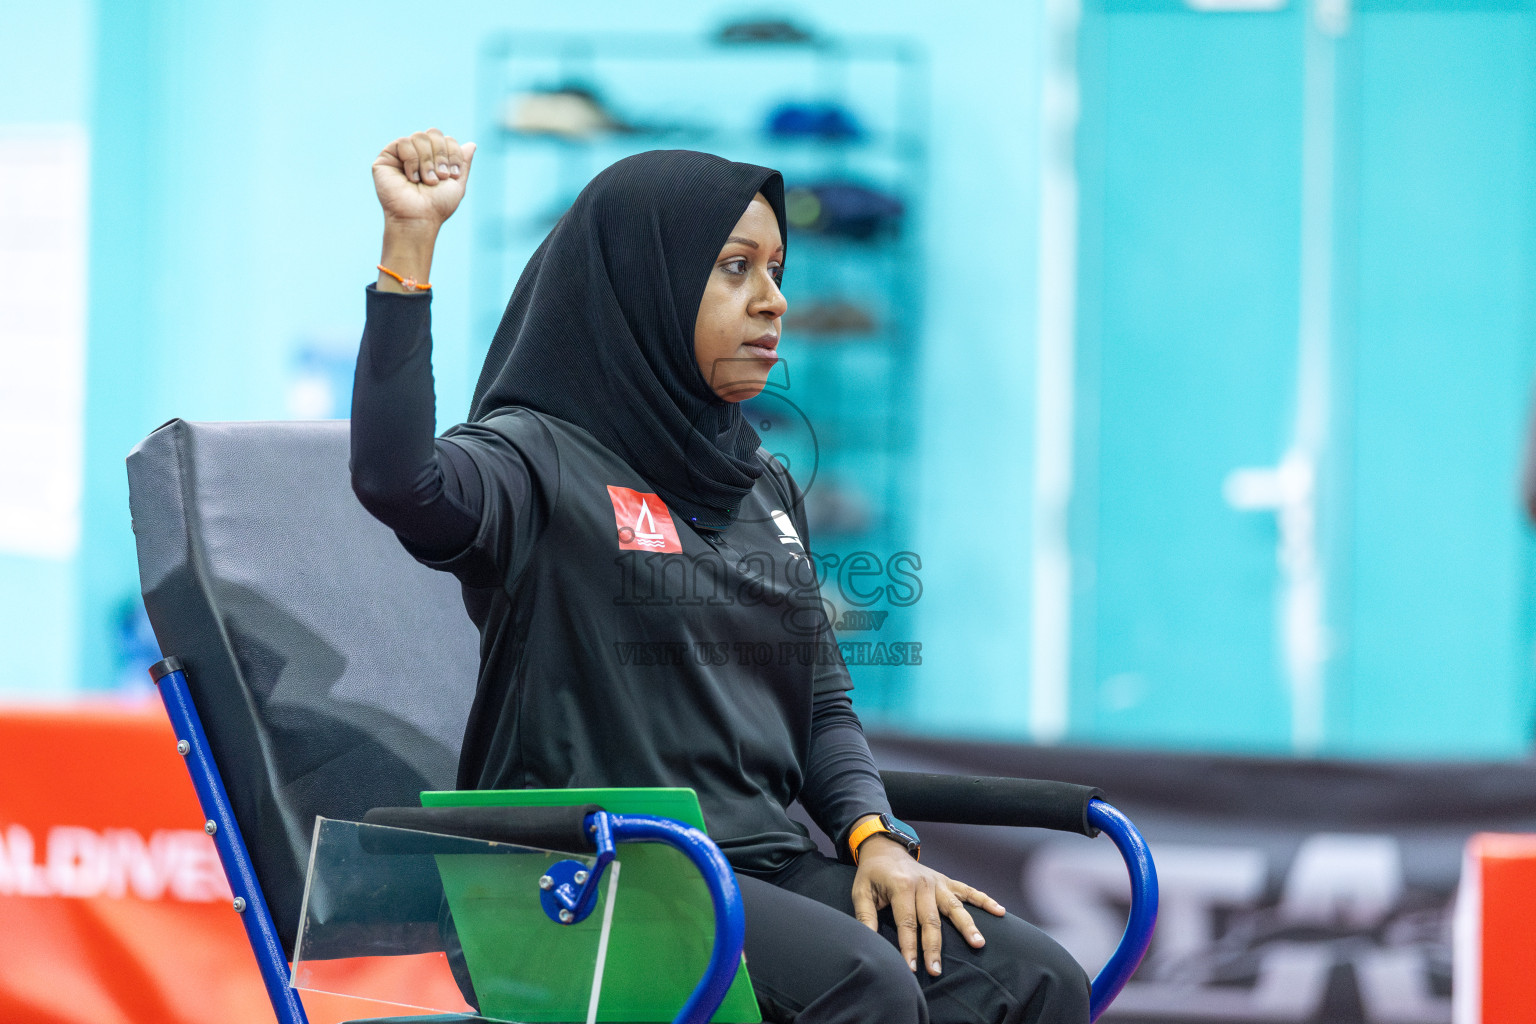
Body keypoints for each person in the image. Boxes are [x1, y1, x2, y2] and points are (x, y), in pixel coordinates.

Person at [350, 127, 1090, 1024]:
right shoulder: (532, 458)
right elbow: (398, 481)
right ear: (647, 287)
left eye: (778, 269)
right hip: (579, 881)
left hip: (760, 864)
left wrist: (876, 839)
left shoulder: (763, 481)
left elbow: (821, 703)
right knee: (867, 990)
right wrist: (410, 247)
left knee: (1039, 980)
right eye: (737, 268)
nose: (774, 301)